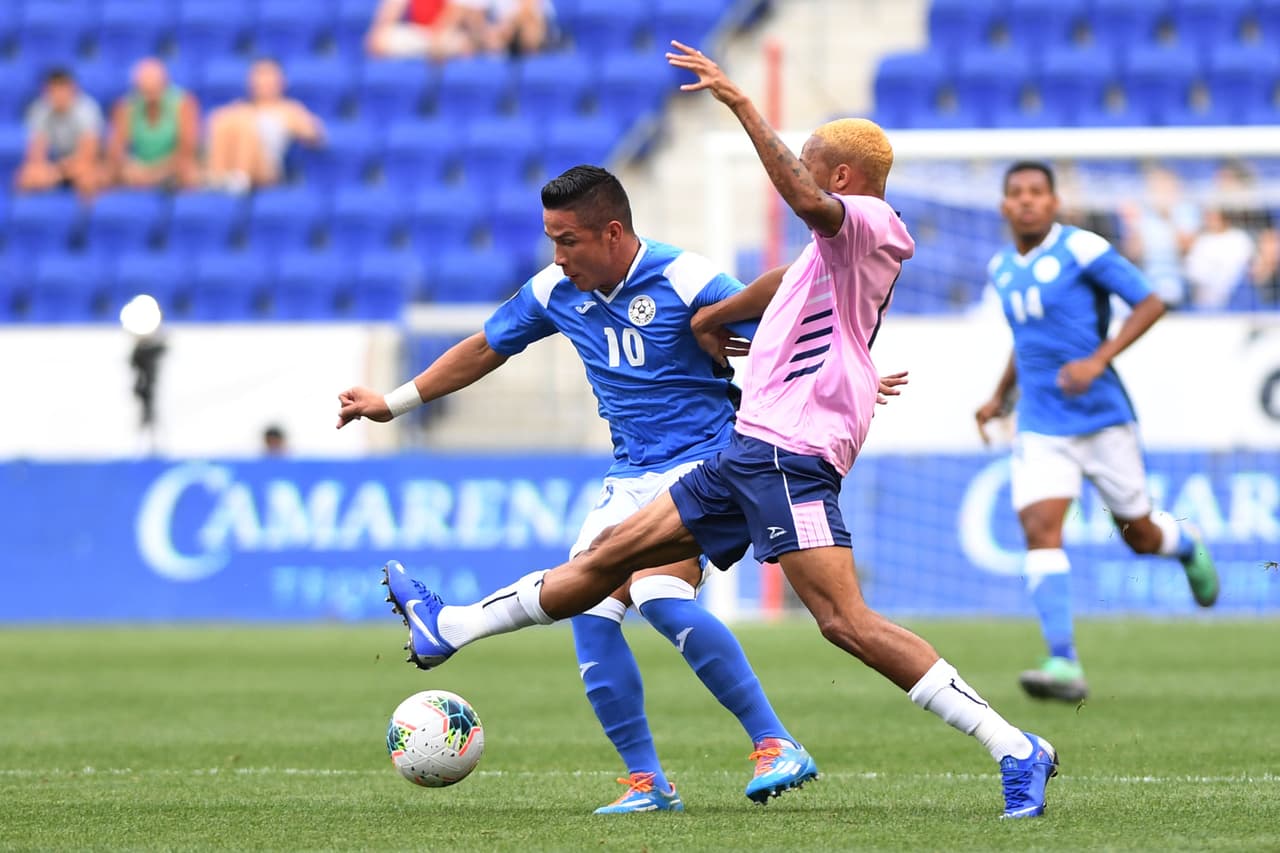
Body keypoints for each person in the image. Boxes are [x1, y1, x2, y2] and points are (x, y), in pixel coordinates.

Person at [362, 44, 1060, 820]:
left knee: (845, 623)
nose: (796, 166)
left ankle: (1014, 745)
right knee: (602, 563)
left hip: (790, 454)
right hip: (745, 450)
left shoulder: (870, 219)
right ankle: (446, 627)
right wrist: (717, 318)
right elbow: (785, 280)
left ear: (838, 177)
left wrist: (741, 105)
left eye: (807, 160)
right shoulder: (826, 248)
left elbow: (805, 205)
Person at [339, 165, 905, 813]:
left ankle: (775, 740)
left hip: (709, 463)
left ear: (611, 233)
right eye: (551, 239)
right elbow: (484, 347)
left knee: (658, 594)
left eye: (569, 240)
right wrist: (393, 401)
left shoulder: (683, 276)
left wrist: (850, 369)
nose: (558, 255)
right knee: (592, 611)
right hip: (629, 473)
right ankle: (648, 781)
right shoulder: (555, 289)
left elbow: (772, 321)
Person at [974, 161, 1220, 704]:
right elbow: (1028, 339)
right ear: (1004, 207)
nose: (1027, 201)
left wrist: (1097, 358)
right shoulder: (1001, 268)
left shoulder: (1082, 248)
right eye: (1016, 193)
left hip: (1102, 416)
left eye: (1037, 192)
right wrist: (1000, 396)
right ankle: (1062, 660)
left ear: (1055, 202)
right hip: (1041, 422)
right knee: (1040, 528)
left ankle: (1183, 544)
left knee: (1140, 536)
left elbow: (1152, 301)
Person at [205, 58, 324, 193]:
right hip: (230, 165)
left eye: (268, 75)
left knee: (244, 120)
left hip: (267, 170)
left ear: (281, 81)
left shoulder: (289, 110)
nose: (262, 80)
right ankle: (217, 178)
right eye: (258, 75)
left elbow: (315, 135)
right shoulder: (238, 109)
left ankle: (239, 178)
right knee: (222, 118)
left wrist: (308, 130)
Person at [104, 58, 200, 190]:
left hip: (171, 168)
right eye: (145, 90)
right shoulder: (126, 106)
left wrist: (157, 172)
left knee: (189, 172)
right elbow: (115, 150)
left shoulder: (184, 104)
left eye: (154, 89)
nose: (150, 95)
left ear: (164, 84)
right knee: (103, 174)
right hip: (137, 168)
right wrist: (130, 167)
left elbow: (187, 150)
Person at [15, 68, 103, 197]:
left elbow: (88, 156)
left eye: (63, 89)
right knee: (25, 177)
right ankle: (31, 215)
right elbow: (35, 155)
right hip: (57, 165)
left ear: (73, 90)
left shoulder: (88, 109)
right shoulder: (39, 110)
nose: (59, 95)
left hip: (84, 164)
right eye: (54, 90)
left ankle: (86, 216)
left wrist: (59, 172)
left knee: (87, 179)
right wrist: (50, 172)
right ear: (46, 92)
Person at [366, 0, 475, 59]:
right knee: (380, 40)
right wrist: (378, 31)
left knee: (465, 45)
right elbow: (390, 12)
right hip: (418, 34)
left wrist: (438, 37)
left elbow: (455, 12)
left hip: (445, 32)